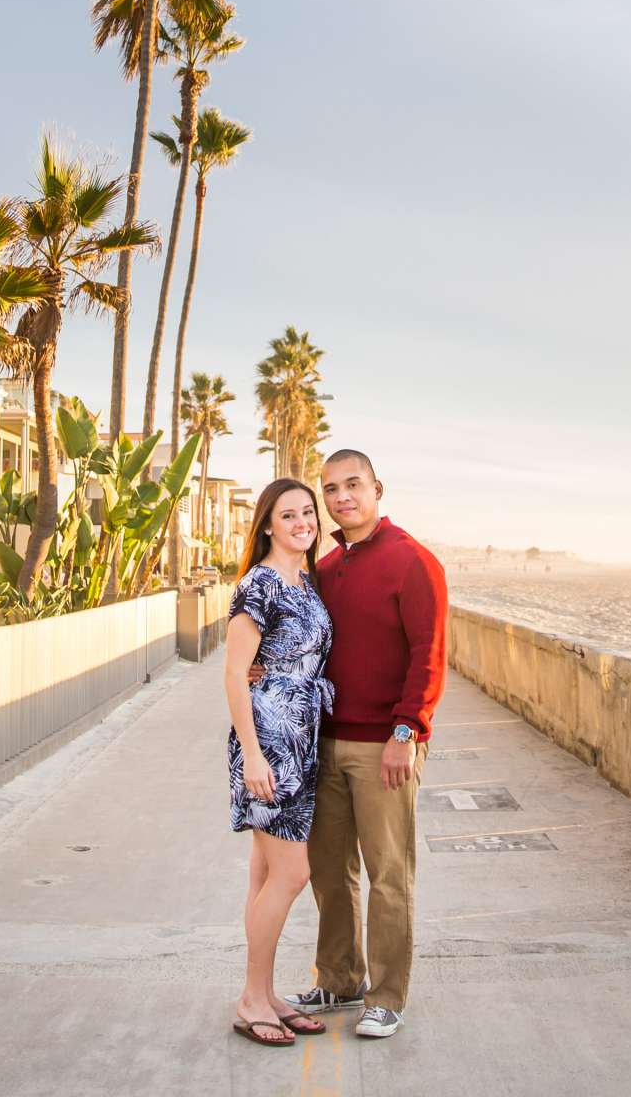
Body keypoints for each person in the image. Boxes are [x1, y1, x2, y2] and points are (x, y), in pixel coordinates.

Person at [290, 449, 447, 1040]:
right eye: (330, 489)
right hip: (324, 744)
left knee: (389, 875)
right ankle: (338, 980)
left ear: (378, 489)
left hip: (385, 744)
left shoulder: (413, 562)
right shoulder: (327, 570)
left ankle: (386, 996)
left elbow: (429, 655)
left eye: (352, 485)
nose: (341, 497)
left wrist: (406, 731)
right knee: (330, 873)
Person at [221, 478, 335, 1048]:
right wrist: (255, 756)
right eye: (288, 515)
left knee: (265, 873)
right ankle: (250, 997)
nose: (302, 522)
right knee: (293, 872)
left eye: (307, 513)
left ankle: (263, 996)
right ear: (267, 524)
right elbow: (235, 674)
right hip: (269, 742)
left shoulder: (307, 582)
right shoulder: (259, 585)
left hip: (303, 737)